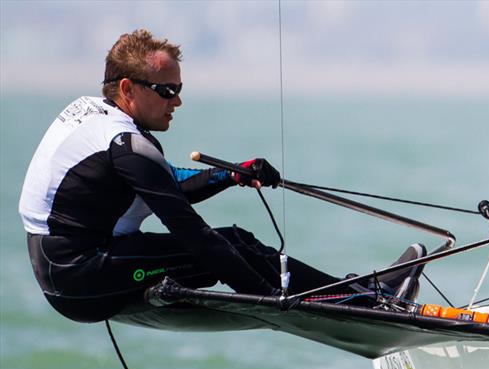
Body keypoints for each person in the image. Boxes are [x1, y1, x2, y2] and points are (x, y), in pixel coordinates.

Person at [19, 29, 425, 323]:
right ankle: (362, 302)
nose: (177, 100)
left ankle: (348, 293)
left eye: (178, 87)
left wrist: (230, 175)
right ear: (127, 88)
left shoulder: (93, 115)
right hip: (82, 279)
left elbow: (168, 184)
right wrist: (274, 303)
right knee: (231, 244)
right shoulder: (127, 147)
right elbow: (193, 236)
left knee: (231, 246)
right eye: (166, 90)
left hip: (64, 269)